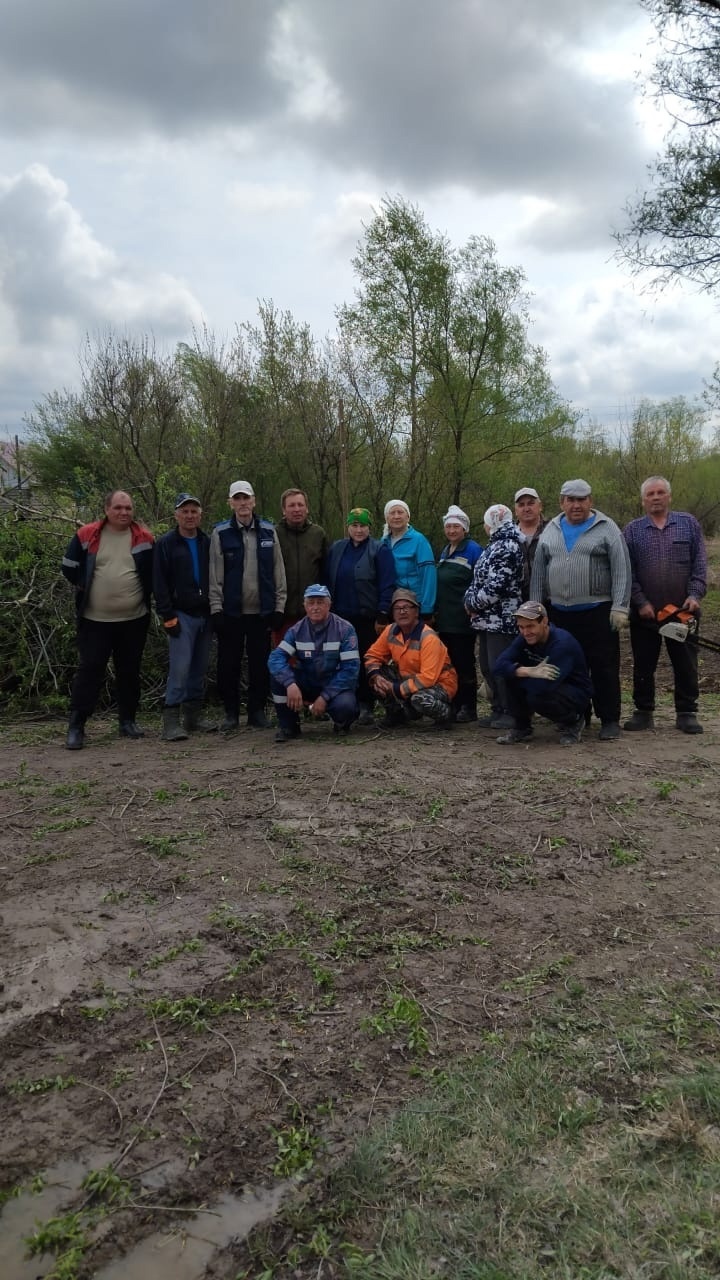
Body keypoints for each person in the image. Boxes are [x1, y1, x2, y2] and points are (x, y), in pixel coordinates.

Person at [530, 479, 631, 741]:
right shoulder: (550, 530)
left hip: (598, 611)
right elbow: (539, 573)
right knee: (570, 666)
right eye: (571, 500)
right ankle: (577, 716)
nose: (577, 505)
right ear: (562, 502)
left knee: (604, 666)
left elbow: (622, 570)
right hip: (561, 613)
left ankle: (609, 719)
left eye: (582, 499)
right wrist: (536, 610)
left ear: (591, 501)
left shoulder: (606, 528)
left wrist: (620, 607)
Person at [62, 489, 154, 749]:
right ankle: (77, 725)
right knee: (90, 670)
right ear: (106, 509)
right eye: (118, 508)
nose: (124, 512)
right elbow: (68, 566)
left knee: (129, 671)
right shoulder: (86, 534)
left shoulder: (144, 538)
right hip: (95, 619)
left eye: (128, 508)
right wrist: (84, 584)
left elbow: (151, 573)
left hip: (134, 619)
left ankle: (127, 721)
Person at [623, 475, 707, 734]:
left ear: (669, 496)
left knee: (685, 662)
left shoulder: (688, 524)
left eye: (660, 493)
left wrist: (694, 595)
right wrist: (640, 601)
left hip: (683, 612)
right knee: (644, 663)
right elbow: (628, 572)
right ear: (643, 500)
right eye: (651, 494)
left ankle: (686, 711)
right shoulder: (632, 530)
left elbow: (700, 564)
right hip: (645, 613)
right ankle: (643, 711)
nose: (656, 497)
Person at [209, 480, 287, 731]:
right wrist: (216, 608)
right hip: (231, 612)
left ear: (254, 501)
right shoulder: (220, 533)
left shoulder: (268, 531)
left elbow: (278, 571)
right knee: (228, 665)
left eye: (246, 498)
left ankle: (257, 711)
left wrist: (279, 607)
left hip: (261, 612)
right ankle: (231, 713)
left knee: (260, 665)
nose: (242, 503)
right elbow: (215, 574)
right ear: (231, 503)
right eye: (237, 499)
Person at [153, 493, 216, 742]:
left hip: (205, 613)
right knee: (180, 668)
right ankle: (170, 721)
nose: (189, 516)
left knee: (199, 668)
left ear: (200, 515)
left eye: (194, 511)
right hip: (180, 614)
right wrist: (167, 615)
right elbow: (159, 582)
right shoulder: (166, 543)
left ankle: (193, 718)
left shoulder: (207, 542)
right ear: (176, 515)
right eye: (185, 511)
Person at [325, 507, 396, 724]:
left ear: (369, 527)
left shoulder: (379, 550)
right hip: (340, 618)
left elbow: (387, 583)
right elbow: (327, 579)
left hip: (367, 618)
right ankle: (344, 703)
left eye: (362, 525)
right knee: (342, 661)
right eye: (354, 525)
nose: (358, 530)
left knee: (367, 660)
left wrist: (383, 614)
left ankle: (367, 704)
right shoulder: (337, 548)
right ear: (348, 527)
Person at [268, 584, 360, 743]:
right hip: (307, 683)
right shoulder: (296, 630)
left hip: (334, 685)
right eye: (311, 603)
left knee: (346, 706)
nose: (315, 607)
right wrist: (290, 683)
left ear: (329, 605)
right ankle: (289, 726)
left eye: (320, 602)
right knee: (278, 677)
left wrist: (325, 697)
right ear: (304, 606)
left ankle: (342, 724)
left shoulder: (345, 629)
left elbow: (351, 670)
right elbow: (276, 658)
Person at [493, 601, 592, 746]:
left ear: (544, 622)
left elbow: (545, 685)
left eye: (530, 626)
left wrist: (517, 673)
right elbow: (498, 665)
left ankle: (574, 720)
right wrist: (527, 670)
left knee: (537, 695)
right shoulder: (525, 638)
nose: (525, 632)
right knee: (510, 677)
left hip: (573, 691)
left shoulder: (562, 643)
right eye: (521, 627)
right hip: (541, 683)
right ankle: (522, 727)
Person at [464, 504, 524, 730]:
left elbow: (496, 586)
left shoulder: (508, 546)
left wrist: (472, 603)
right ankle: (498, 707)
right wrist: (469, 599)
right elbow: (478, 579)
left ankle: (511, 710)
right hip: (485, 619)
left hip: (502, 619)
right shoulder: (494, 545)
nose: (486, 526)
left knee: (501, 666)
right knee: (488, 666)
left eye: (487, 522)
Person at [364, 587, 457, 728]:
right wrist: (377, 677)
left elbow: (428, 678)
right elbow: (372, 655)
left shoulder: (428, 637)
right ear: (392, 613)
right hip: (408, 682)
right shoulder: (390, 630)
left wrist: (395, 689)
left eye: (407, 607)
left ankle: (446, 715)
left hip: (440, 684)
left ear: (417, 611)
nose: (402, 611)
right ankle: (396, 715)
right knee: (376, 674)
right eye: (397, 608)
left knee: (419, 699)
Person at [435, 505, 483, 721]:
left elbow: (480, 582)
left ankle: (469, 706)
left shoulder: (473, 550)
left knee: (464, 664)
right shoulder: (446, 551)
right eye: (449, 526)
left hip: (463, 619)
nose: (452, 530)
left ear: (464, 528)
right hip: (444, 618)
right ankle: (453, 704)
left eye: (456, 526)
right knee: (449, 664)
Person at [274, 488, 328, 641]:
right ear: (284, 510)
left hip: (313, 614)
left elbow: (326, 572)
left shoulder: (318, 534)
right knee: (285, 661)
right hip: (283, 614)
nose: (297, 509)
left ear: (307, 508)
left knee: (314, 661)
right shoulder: (274, 534)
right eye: (291, 506)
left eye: (300, 505)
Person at [381, 500, 436, 618]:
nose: (396, 516)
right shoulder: (383, 542)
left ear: (408, 517)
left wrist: (427, 608)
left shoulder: (418, 540)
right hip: (393, 603)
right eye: (392, 513)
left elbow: (428, 575)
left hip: (414, 603)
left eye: (400, 512)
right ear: (386, 518)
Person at [514, 487, 547, 600]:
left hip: (548, 600)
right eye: (521, 505)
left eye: (531, 503)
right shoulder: (508, 536)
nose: (526, 509)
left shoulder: (553, 530)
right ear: (515, 510)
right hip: (517, 602)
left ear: (540, 506)